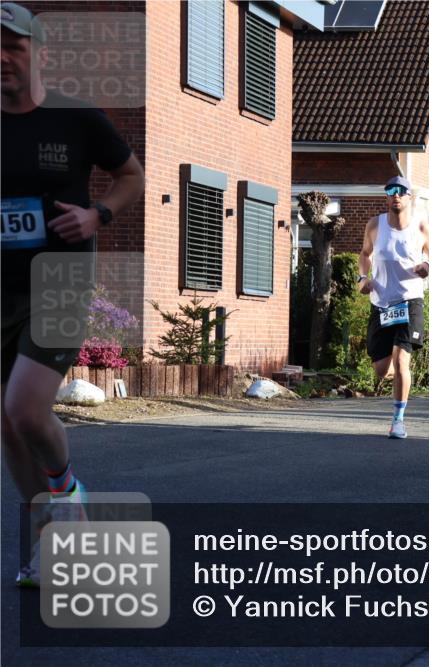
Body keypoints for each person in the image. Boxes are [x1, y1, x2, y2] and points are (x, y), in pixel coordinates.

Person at [2, 2, 146, 587]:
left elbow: (132, 175)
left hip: (59, 280)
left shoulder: (76, 118)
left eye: (12, 46)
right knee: (7, 425)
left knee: (24, 407)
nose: (1, 58)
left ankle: (70, 494)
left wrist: (97, 215)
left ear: (38, 51)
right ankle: (48, 542)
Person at [358, 176, 429, 439]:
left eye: (401, 191)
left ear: (410, 197)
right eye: (391, 191)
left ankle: (398, 420)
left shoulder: (419, 226)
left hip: (410, 301)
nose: (395, 195)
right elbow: (364, 254)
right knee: (382, 369)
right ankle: (399, 373)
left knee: (401, 358)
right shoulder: (375, 225)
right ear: (387, 197)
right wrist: (363, 278)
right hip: (381, 303)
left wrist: (428, 267)